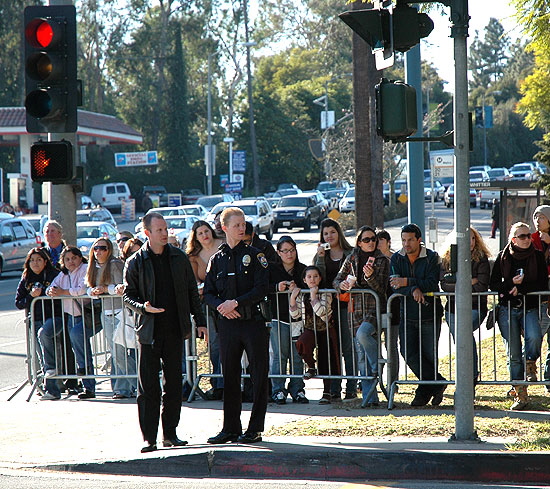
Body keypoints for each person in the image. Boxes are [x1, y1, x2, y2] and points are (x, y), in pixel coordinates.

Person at [124, 212, 206, 453]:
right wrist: (143, 307)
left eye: (165, 228)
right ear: (147, 233)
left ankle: (170, 433)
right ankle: (149, 437)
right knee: (148, 387)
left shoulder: (179, 257)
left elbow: (192, 291)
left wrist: (199, 320)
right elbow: (128, 295)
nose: (164, 233)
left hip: (174, 329)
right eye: (159, 230)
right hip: (149, 332)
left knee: (173, 385)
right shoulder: (136, 261)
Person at [204, 207, 270, 444]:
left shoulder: (255, 255)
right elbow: (208, 293)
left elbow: (262, 288)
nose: (242, 228)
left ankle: (255, 428)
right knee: (230, 375)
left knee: (258, 375)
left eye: (243, 224)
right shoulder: (217, 259)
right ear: (224, 228)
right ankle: (230, 427)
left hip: (252, 323)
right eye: (237, 225)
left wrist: (236, 303)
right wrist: (222, 306)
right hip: (228, 326)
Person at [489, 221, 547, 410]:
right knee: (513, 353)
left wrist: (520, 288)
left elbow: (542, 285)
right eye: (522, 236)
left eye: (528, 235)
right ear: (513, 239)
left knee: (534, 337)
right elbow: (494, 284)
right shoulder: (503, 257)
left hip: (529, 307)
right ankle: (520, 394)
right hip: (507, 309)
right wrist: (510, 284)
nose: (527, 239)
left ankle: (530, 362)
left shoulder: (537, 256)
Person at [390, 223, 446, 407]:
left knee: (429, 356)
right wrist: (414, 287)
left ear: (419, 240)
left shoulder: (431, 257)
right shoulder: (397, 258)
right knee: (407, 352)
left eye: (410, 240)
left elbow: (431, 283)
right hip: (407, 314)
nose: (406, 244)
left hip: (430, 313)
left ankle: (424, 392)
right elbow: (394, 285)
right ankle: (437, 382)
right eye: (403, 240)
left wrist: (407, 281)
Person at [334, 226, 390, 407]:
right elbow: (337, 279)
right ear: (359, 242)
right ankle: (370, 399)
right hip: (355, 309)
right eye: (366, 240)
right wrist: (341, 285)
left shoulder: (382, 260)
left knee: (363, 335)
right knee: (360, 356)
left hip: (374, 309)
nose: (371, 242)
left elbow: (381, 289)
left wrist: (370, 276)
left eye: (373, 239)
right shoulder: (352, 258)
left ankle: (377, 366)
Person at [440, 227, 491, 383]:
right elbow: (445, 285)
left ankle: (470, 376)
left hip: (475, 307)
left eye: (473, 238)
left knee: (464, 333)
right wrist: (469, 281)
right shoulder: (447, 258)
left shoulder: (481, 259)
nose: (470, 242)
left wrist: (459, 283)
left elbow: (481, 286)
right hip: (453, 308)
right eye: (466, 238)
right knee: (462, 336)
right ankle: (467, 376)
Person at [85, 237, 132, 399]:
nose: (99, 251)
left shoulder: (115, 264)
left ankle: (132, 384)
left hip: (120, 312)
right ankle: (122, 387)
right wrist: (94, 292)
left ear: (109, 250)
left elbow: (123, 287)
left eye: (103, 248)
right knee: (114, 352)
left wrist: (105, 289)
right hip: (106, 313)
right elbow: (88, 289)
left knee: (119, 353)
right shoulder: (93, 267)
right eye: (96, 248)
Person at [313, 218, 355, 401]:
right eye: (325, 233)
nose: (329, 236)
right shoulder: (320, 255)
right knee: (332, 349)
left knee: (348, 347)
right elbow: (317, 278)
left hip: (347, 307)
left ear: (339, 233)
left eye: (332, 232)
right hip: (327, 310)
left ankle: (352, 386)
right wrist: (321, 258)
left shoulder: (350, 253)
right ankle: (334, 388)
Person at [15, 248, 62, 400]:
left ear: (45, 261)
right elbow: (18, 302)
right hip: (34, 319)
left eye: (39, 260)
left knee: (44, 334)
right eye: (32, 260)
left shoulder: (54, 275)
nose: (35, 263)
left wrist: (46, 293)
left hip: (54, 317)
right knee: (41, 355)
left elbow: (60, 295)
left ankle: (53, 377)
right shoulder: (26, 277)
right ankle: (51, 390)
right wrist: (31, 296)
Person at [186, 220, 224, 401]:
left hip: (229, 302)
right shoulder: (194, 256)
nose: (204, 235)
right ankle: (218, 384)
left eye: (206, 231)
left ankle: (236, 382)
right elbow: (193, 282)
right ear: (196, 237)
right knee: (214, 345)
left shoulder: (223, 245)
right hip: (208, 305)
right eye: (200, 233)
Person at [291, 265, 339, 404]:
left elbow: (322, 312)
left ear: (320, 278)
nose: (312, 279)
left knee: (327, 359)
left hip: (325, 329)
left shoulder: (325, 292)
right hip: (310, 328)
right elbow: (295, 314)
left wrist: (314, 297)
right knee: (302, 343)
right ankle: (311, 366)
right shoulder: (303, 293)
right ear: (304, 280)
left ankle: (327, 392)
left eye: (315, 276)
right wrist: (293, 299)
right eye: (309, 277)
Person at [269, 236, 308, 405]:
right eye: (285, 251)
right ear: (279, 252)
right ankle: (278, 390)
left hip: (299, 320)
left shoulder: (302, 269)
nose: (289, 254)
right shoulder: (272, 269)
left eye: (292, 250)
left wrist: (298, 289)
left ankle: (297, 389)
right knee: (280, 355)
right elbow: (263, 287)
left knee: (297, 355)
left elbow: (311, 285)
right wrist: (277, 287)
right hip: (279, 317)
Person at [46, 247, 90, 398]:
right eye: (67, 259)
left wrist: (62, 292)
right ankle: (86, 385)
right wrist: (52, 291)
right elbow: (50, 288)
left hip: (87, 313)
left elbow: (81, 290)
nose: (71, 262)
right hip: (71, 315)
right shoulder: (63, 274)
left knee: (81, 344)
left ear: (80, 258)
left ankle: (89, 385)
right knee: (78, 350)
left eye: (74, 258)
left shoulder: (85, 269)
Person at [41, 220, 77, 393]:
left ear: (61, 234)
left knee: (69, 343)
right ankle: (52, 381)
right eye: (47, 231)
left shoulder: (69, 253)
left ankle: (72, 381)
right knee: (49, 342)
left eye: (53, 231)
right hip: (49, 307)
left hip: (70, 305)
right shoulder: (41, 253)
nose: (50, 234)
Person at [376, 228, 400, 392]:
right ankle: (376, 379)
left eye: (380, 241)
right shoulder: (373, 260)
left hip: (394, 308)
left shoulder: (396, 259)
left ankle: (393, 382)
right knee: (374, 346)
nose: (376, 244)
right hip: (376, 309)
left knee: (391, 346)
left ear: (388, 242)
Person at [530, 205, 550, 393]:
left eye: (542, 217)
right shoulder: (531, 239)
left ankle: (549, 380)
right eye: (536, 217)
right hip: (539, 296)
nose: (538, 220)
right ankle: (529, 368)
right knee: (535, 336)